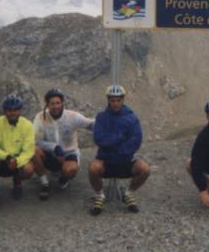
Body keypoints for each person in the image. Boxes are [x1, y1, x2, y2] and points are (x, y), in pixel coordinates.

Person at [88, 84, 149, 215]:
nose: (115, 103)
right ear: (108, 100)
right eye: (112, 100)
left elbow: (135, 141)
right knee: (93, 168)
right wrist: (120, 137)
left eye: (118, 100)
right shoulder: (101, 117)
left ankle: (128, 193)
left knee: (145, 169)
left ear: (123, 100)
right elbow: (99, 138)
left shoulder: (132, 118)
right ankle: (100, 195)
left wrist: (115, 149)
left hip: (125, 161)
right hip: (106, 161)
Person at [32, 88, 94, 200]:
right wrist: (53, 147)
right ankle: (44, 183)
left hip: (68, 154)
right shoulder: (40, 117)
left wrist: (106, 121)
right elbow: (35, 140)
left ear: (62, 103)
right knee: (33, 150)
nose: (56, 106)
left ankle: (64, 177)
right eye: (52, 103)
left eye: (58, 103)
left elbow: (90, 124)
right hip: (50, 153)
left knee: (71, 170)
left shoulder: (72, 116)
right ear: (47, 104)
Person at [0, 94, 35, 210]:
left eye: (15, 110)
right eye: (9, 110)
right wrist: (6, 157)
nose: (12, 113)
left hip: (18, 160)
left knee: (28, 169)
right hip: (3, 159)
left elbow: (29, 150)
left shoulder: (27, 125)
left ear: (20, 111)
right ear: (4, 111)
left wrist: (17, 161)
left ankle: (17, 182)